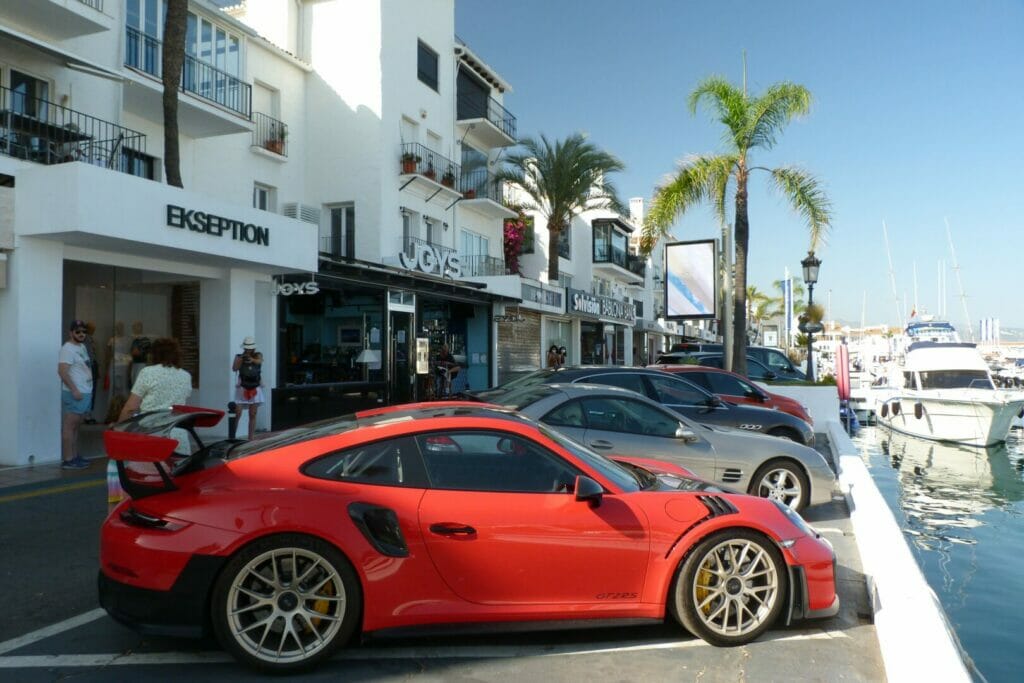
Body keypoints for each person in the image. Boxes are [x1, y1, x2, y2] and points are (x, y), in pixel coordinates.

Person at [117, 338, 193, 422]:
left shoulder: (147, 372)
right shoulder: (186, 376)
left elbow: (131, 407)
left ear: (154, 355)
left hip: (150, 429)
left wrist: (118, 426)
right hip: (176, 429)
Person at [57, 319, 93, 469]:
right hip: (75, 394)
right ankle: (68, 459)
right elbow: (62, 372)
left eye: (84, 331)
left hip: (84, 392)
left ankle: (75, 456)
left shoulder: (82, 347)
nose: (81, 334)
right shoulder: (68, 349)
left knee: (76, 426)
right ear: (71, 332)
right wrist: (74, 390)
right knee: (69, 426)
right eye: (78, 331)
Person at [233, 337, 264, 440]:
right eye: (246, 348)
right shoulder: (239, 356)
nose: (248, 350)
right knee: (237, 412)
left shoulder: (258, 355)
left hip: (255, 386)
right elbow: (234, 369)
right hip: (242, 387)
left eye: (250, 348)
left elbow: (259, 361)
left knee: (253, 413)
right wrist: (241, 359)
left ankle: (251, 438)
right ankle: (232, 435)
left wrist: (252, 359)